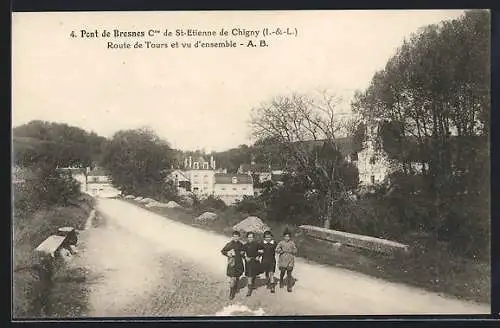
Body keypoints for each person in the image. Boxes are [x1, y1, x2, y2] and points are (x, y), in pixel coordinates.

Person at [221, 230, 245, 300]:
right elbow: (223, 251)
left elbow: (243, 252)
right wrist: (227, 253)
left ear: (239, 237)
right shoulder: (229, 244)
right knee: (232, 278)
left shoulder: (241, 244)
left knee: (237, 276)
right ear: (232, 237)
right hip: (232, 263)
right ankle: (231, 293)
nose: (236, 238)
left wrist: (243, 255)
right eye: (234, 236)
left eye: (237, 236)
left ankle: (235, 286)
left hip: (239, 263)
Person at [242, 231, 261, 297]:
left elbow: (261, 251)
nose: (250, 238)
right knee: (249, 275)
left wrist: (258, 256)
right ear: (247, 238)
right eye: (249, 237)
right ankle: (249, 289)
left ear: (253, 238)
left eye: (252, 237)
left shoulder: (257, 244)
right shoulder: (245, 245)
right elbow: (242, 253)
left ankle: (252, 284)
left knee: (254, 274)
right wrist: (245, 257)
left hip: (255, 260)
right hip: (248, 261)